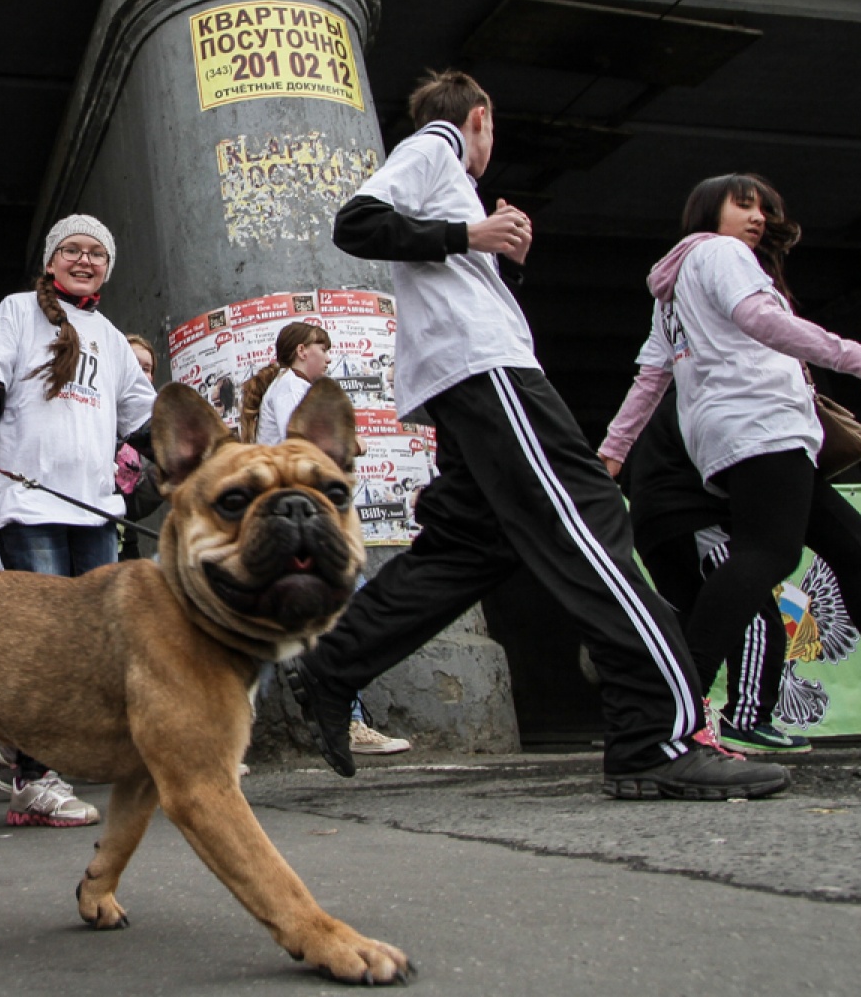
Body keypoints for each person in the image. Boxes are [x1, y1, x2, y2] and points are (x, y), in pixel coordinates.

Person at [281, 69, 790, 799]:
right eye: (490, 129)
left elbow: (445, 269)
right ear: (479, 118)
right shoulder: (438, 144)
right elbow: (355, 222)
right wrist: (472, 233)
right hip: (488, 372)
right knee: (590, 519)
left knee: (471, 547)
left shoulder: (448, 178)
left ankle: (333, 665)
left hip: (465, 376)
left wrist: (495, 255)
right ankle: (655, 736)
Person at [601, 173, 861, 758]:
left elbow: (651, 378)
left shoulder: (673, 286)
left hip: (732, 432)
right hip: (763, 423)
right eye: (743, 205)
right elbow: (762, 321)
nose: (758, 218)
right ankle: (677, 710)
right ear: (707, 211)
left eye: (764, 209)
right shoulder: (720, 253)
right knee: (769, 553)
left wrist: (612, 452)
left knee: (857, 551)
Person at [0, 214, 156, 826]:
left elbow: (145, 420)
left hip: (93, 509)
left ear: (107, 268)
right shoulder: (17, 312)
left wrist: (209, 450)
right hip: (26, 504)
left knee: (101, 644)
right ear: (51, 260)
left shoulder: (110, 337)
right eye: (72, 250)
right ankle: (33, 781)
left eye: (96, 253)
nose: (85, 260)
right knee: (45, 644)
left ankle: (94, 753)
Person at [240, 321, 412, 758]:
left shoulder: (293, 390)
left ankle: (239, 733)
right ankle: (346, 720)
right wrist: (351, 444)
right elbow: (312, 449)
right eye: (323, 349)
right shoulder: (292, 391)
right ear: (302, 351)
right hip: (299, 523)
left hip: (298, 521)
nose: (330, 358)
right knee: (350, 608)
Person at [620, 386, 807, 754]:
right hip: (694, 514)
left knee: (699, 620)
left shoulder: (669, 401)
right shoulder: (714, 392)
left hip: (653, 523)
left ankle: (673, 719)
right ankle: (746, 720)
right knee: (751, 608)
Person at [116, 334, 165, 562]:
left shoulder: (149, 431)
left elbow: (136, 506)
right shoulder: (101, 415)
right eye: (134, 365)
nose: (141, 374)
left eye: (147, 369)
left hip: (125, 539)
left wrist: (161, 479)